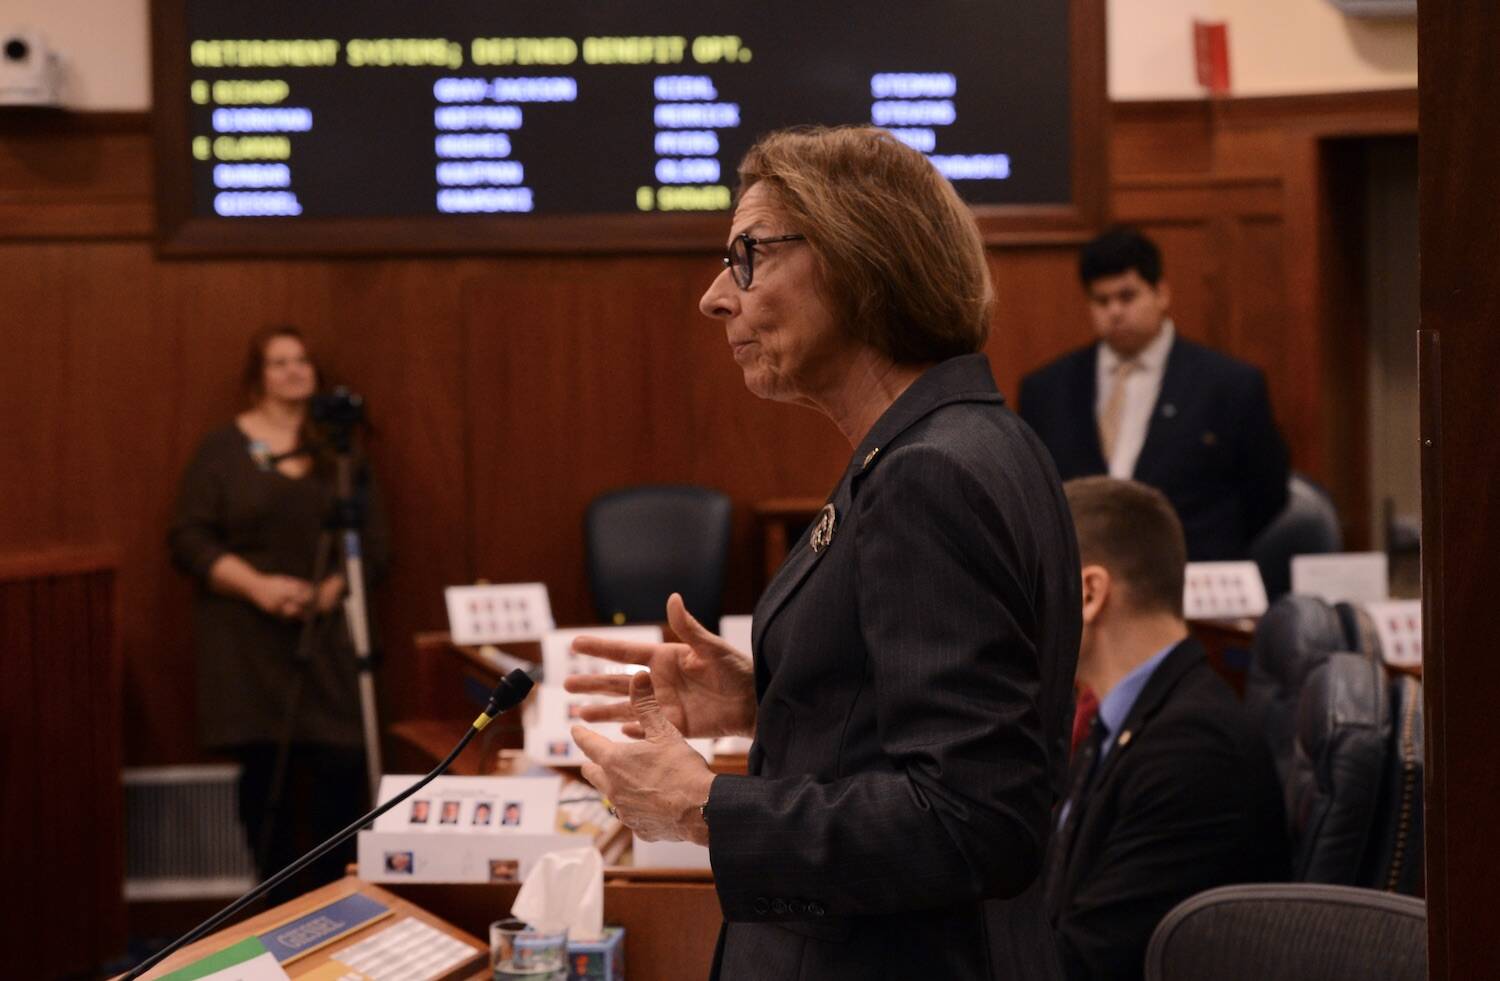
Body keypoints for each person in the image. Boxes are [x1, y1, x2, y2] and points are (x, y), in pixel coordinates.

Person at [564, 126, 1081, 979]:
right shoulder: (973, 438)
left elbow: (974, 820)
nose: (714, 298)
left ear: (856, 257)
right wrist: (779, 699)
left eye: (747, 257)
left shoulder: (929, 474)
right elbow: (936, 734)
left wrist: (704, 809)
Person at [168, 325, 389, 898]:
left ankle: (338, 895)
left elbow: (371, 541)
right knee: (267, 774)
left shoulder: (337, 449)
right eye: (279, 362)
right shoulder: (223, 449)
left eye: (302, 360)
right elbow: (188, 539)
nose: (294, 371)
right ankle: (275, 904)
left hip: (324, 636)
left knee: (341, 764)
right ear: (257, 377)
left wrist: (330, 590)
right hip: (247, 639)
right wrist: (258, 587)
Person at [1044, 477, 1289, 980]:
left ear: (1089, 594)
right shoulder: (1125, 719)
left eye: (1031, 586)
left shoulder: (1194, 753)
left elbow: (1081, 966)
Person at [1017, 227, 1289, 561]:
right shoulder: (1046, 390)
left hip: (1193, 575)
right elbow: (1033, 498)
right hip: (1083, 578)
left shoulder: (1230, 385)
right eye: (1101, 301)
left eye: (1127, 296)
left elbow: (1268, 492)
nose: (1114, 312)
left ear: (1161, 294)